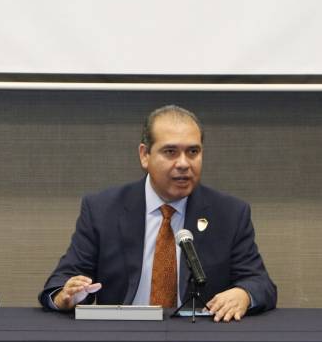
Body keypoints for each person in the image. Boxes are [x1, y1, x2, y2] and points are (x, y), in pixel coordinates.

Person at [40, 105, 276, 322]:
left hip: (200, 337)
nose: (183, 163)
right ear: (145, 155)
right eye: (170, 152)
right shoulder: (103, 209)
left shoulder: (230, 213)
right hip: (122, 334)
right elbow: (62, 280)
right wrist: (66, 295)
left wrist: (244, 294)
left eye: (193, 151)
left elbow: (260, 283)